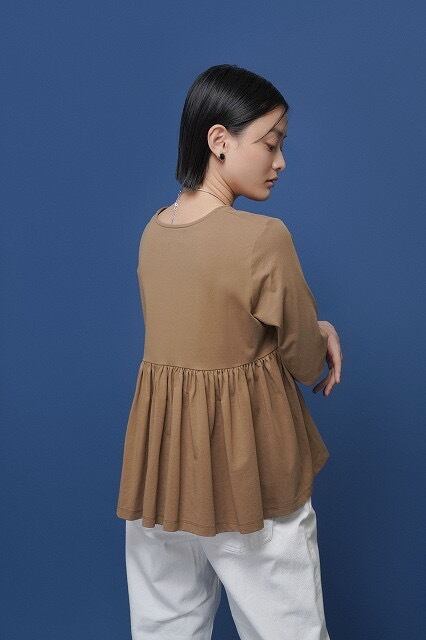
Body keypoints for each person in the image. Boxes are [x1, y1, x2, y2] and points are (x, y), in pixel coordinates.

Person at [116, 64, 342, 640]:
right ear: (219, 140)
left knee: (165, 628)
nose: (280, 161)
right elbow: (303, 360)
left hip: (162, 477)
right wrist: (321, 335)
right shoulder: (263, 238)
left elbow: (197, 336)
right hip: (249, 477)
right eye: (271, 143)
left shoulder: (153, 233)